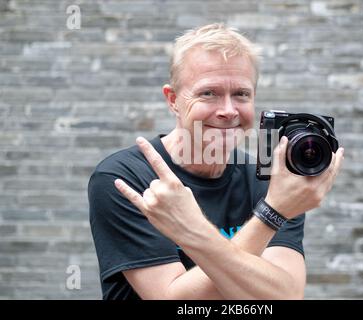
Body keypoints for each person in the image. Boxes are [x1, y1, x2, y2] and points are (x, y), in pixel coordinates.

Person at [88, 23, 344, 300]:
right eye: (208, 93)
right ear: (173, 100)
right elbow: (173, 299)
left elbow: (285, 296)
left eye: (241, 94)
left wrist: (193, 230)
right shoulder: (125, 177)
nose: (228, 110)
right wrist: (273, 213)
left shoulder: (271, 181)